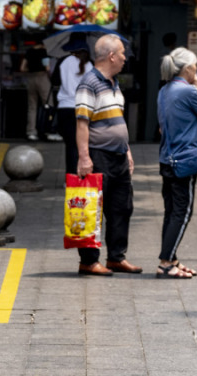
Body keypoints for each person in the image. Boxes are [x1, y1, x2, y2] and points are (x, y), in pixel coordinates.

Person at [75, 34, 141, 276]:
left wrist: (128, 151)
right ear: (112, 56)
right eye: (122, 53)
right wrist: (84, 158)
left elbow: (117, 119)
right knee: (92, 209)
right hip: (98, 154)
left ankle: (116, 257)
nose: (125, 58)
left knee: (122, 206)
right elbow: (82, 124)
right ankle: (89, 261)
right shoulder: (89, 83)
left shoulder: (114, 83)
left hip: (119, 155)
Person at [156, 47, 197, 279]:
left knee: (171, 211)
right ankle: (165, 263)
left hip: (167, 157)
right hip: (184, 158)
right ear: (188, 68)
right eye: (195, 67)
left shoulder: (164, 90)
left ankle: (171, 258)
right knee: (182, 212)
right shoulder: (189, 91)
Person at [56, 38, 93, 175]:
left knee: (70, 145)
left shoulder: (64, 62)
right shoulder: (89, 65)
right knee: (83, 145)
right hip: (83, 108)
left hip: (65, 108)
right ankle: (82, 175)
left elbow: (54, 80)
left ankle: (70, 176)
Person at [20, 38, 51, 141]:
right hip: (42, 78)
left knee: (32, 107)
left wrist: (31, 69)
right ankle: (49, 130)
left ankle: (31, 132)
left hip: (31, 78)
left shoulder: (29, 52)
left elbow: (22, 68)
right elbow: (47, 68)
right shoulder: (44, 52)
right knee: (48, 105)